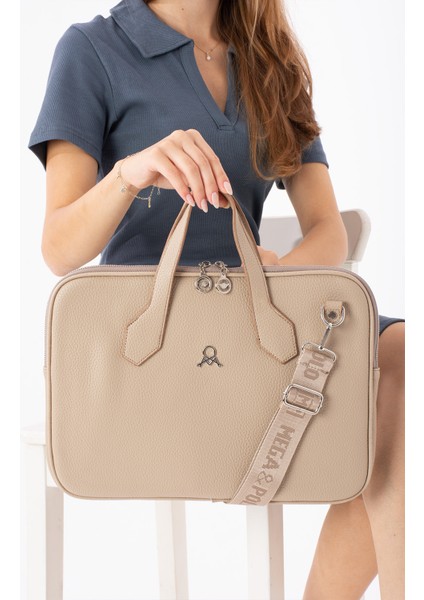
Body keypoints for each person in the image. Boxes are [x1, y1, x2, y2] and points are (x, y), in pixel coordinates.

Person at [28, 1, 405, 597]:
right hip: (151, 347)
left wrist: (277, 273)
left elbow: (328, 231)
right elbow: (58, 248)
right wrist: (129, 173)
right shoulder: (94, 49)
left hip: (255, 330)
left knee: (405, 357)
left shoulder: (268, 54)